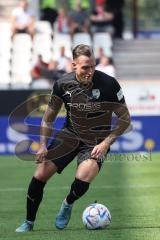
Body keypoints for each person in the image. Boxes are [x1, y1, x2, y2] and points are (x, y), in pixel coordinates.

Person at [15, 44, 131, 232]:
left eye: (93, 66)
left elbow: (125, 120)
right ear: (74, 65)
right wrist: (43, 145)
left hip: (97, 140)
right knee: (40, 175)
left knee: (84, 175)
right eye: (85, 67)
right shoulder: (62, 84)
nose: (90, 71)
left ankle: (68, 203)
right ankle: (29, 222)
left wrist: (105, 143)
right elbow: (48, 117)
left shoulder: (109, 84)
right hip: (69, 135)